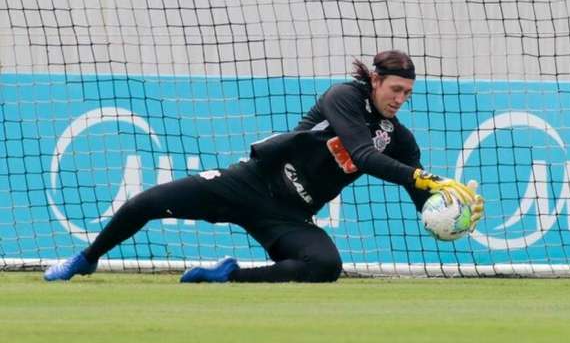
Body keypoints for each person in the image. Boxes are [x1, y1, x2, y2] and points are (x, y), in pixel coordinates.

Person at [44, 50, 484, 283]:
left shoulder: (401, 140)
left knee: (325, 267)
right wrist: (420, 176)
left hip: (289, 215)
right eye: (394, 89)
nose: (399, 98)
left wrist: (452, 206)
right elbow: (365, 156)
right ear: (374, 81)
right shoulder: (343, 98)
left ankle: (228, 276)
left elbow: (418, 194)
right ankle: (85, 259)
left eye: (407, 93)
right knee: (148, 202)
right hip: (250, 182)